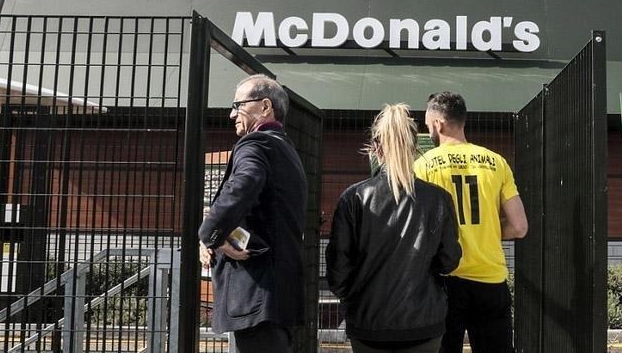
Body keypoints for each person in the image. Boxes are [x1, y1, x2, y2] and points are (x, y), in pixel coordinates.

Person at [326, 104, 462, 353]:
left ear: (376, 148)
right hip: (423, 323)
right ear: (414, 148)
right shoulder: (438, 199)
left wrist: (355, 297)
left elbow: (338, 270)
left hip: (368, 324)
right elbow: (449, 261)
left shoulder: (353, 198)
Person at [198, 74, 307, 353]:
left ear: (265, 106)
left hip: (256, 292)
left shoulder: (255, 144)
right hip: (278, 294)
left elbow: (244, 184)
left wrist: (211, 234)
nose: (232, 113)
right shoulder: (286, 150)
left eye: (238, 105)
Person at [413, 92, 528, 353]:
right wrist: (487, 230)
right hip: (490, 279)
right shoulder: (496, 162)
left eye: (428, 124)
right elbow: (520, 227)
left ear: (438, 124)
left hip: (444, 279)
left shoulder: (423, 165)